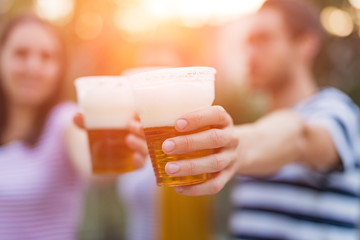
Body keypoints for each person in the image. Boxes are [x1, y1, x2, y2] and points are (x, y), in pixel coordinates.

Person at [156, 0, 360, 239]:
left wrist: (232, 145)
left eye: (264, 40)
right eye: (248, 43)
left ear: (306, 44)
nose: (251, 54)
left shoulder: (337, 111)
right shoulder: (257, 127)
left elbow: (298, 136)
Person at [0, 15, 146, 240]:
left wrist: (117, 148)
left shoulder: (65, 120)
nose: (33, 67)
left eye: (47, 57)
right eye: (21, 53)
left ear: (60, 68)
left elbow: (94, 166)